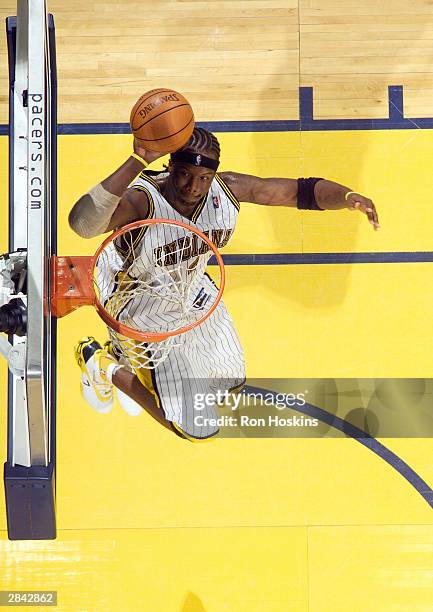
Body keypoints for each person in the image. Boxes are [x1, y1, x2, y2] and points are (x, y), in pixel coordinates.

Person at [69, 127, 379, 441]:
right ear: (170, 167)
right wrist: (138, 159)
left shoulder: (226, 189)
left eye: (203, 178)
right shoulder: (141, 201)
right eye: (185, 175)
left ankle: (128, 359)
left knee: (228, 381)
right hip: (135, 296)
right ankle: (100, 362)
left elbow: (300, 192)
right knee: (196, 427)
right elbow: (82, 223)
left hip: (188, 288)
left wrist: (348, 197)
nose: (193, 187)